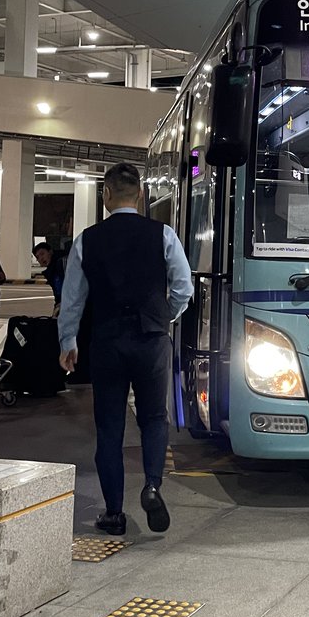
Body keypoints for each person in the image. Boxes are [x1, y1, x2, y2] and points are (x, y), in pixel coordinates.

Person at [57, 162, 193, 537]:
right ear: (142, 196)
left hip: (107, 341)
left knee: (110, 427)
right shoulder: (162, 234)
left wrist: (68, 341)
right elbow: (184, 287)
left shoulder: (88, 239)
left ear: (105, 195)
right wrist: (165, 315)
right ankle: (151, 485)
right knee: (153, 418)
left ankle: (114, 513)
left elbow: (72, 299)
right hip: (151, 340)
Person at [33, 242, 66, 312]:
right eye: (37, 257)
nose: (41, 259)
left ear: (50, 252)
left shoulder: (60, 264)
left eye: (42, 254)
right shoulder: (51, 271)